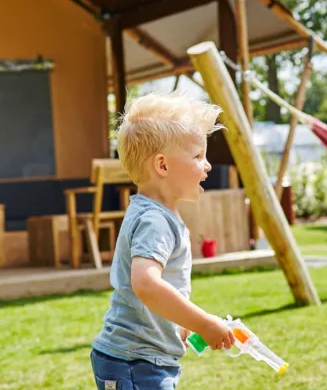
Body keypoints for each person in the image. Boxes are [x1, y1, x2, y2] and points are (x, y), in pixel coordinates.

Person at [90, 92, 236, 389]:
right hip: (134, 362)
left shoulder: (158, 216)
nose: (207, 165)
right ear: (163, 166)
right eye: (198, 156)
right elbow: (146, 285)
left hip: (141, 360)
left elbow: (154, 294)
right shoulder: (154, 221)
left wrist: (178, 326)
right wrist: (204, 323)